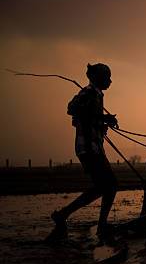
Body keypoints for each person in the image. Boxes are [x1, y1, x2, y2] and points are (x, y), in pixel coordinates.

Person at [46, 63, 119, 241]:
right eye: (106, 77)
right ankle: (99, 224)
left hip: (94, 146)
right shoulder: (88, 93)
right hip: (88, 147)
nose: (109, 81)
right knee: (109, 186)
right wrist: (102, 118)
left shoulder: (96, 94)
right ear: (95, 78)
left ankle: (65, 214)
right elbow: (71, 108)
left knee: (104, 187)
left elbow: (86, 117)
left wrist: (102, 124)